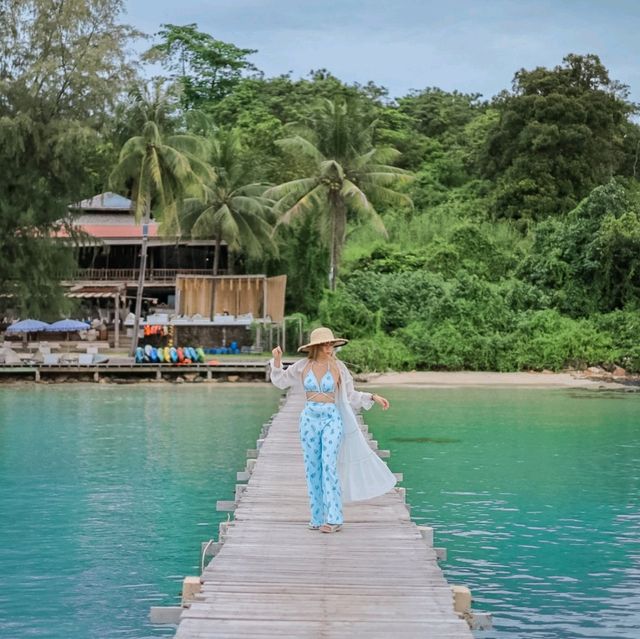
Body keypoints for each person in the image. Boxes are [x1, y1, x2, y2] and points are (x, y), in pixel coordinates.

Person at [270, 326, 396, 534]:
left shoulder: (339, 368)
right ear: (317, 346)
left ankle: (334, 518)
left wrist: (372, 397)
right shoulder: (303, 366)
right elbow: (281, 381)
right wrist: (277, 360)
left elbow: (350, 396)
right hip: (309, 419)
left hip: (331, 418)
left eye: (332, 343)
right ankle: (317, 517)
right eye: (326, 344)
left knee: (329, 465)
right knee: (313, 469)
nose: (330, 347)